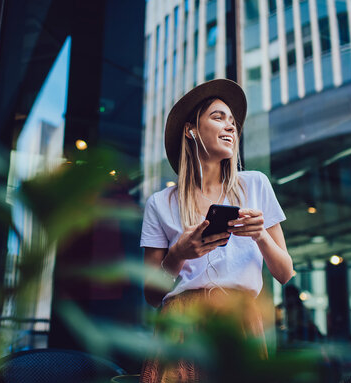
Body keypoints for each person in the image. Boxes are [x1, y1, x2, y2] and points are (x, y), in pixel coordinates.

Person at [139, 79, 293, 382]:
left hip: (238, 322)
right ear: (191, 129)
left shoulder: (256, 184)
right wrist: (177, 255)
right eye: (218, 116)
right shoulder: (160, 203)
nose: (231, 127)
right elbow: (152, 295)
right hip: (181, 325)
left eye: (233, 121)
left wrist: (260, 235)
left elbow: (285, 272)